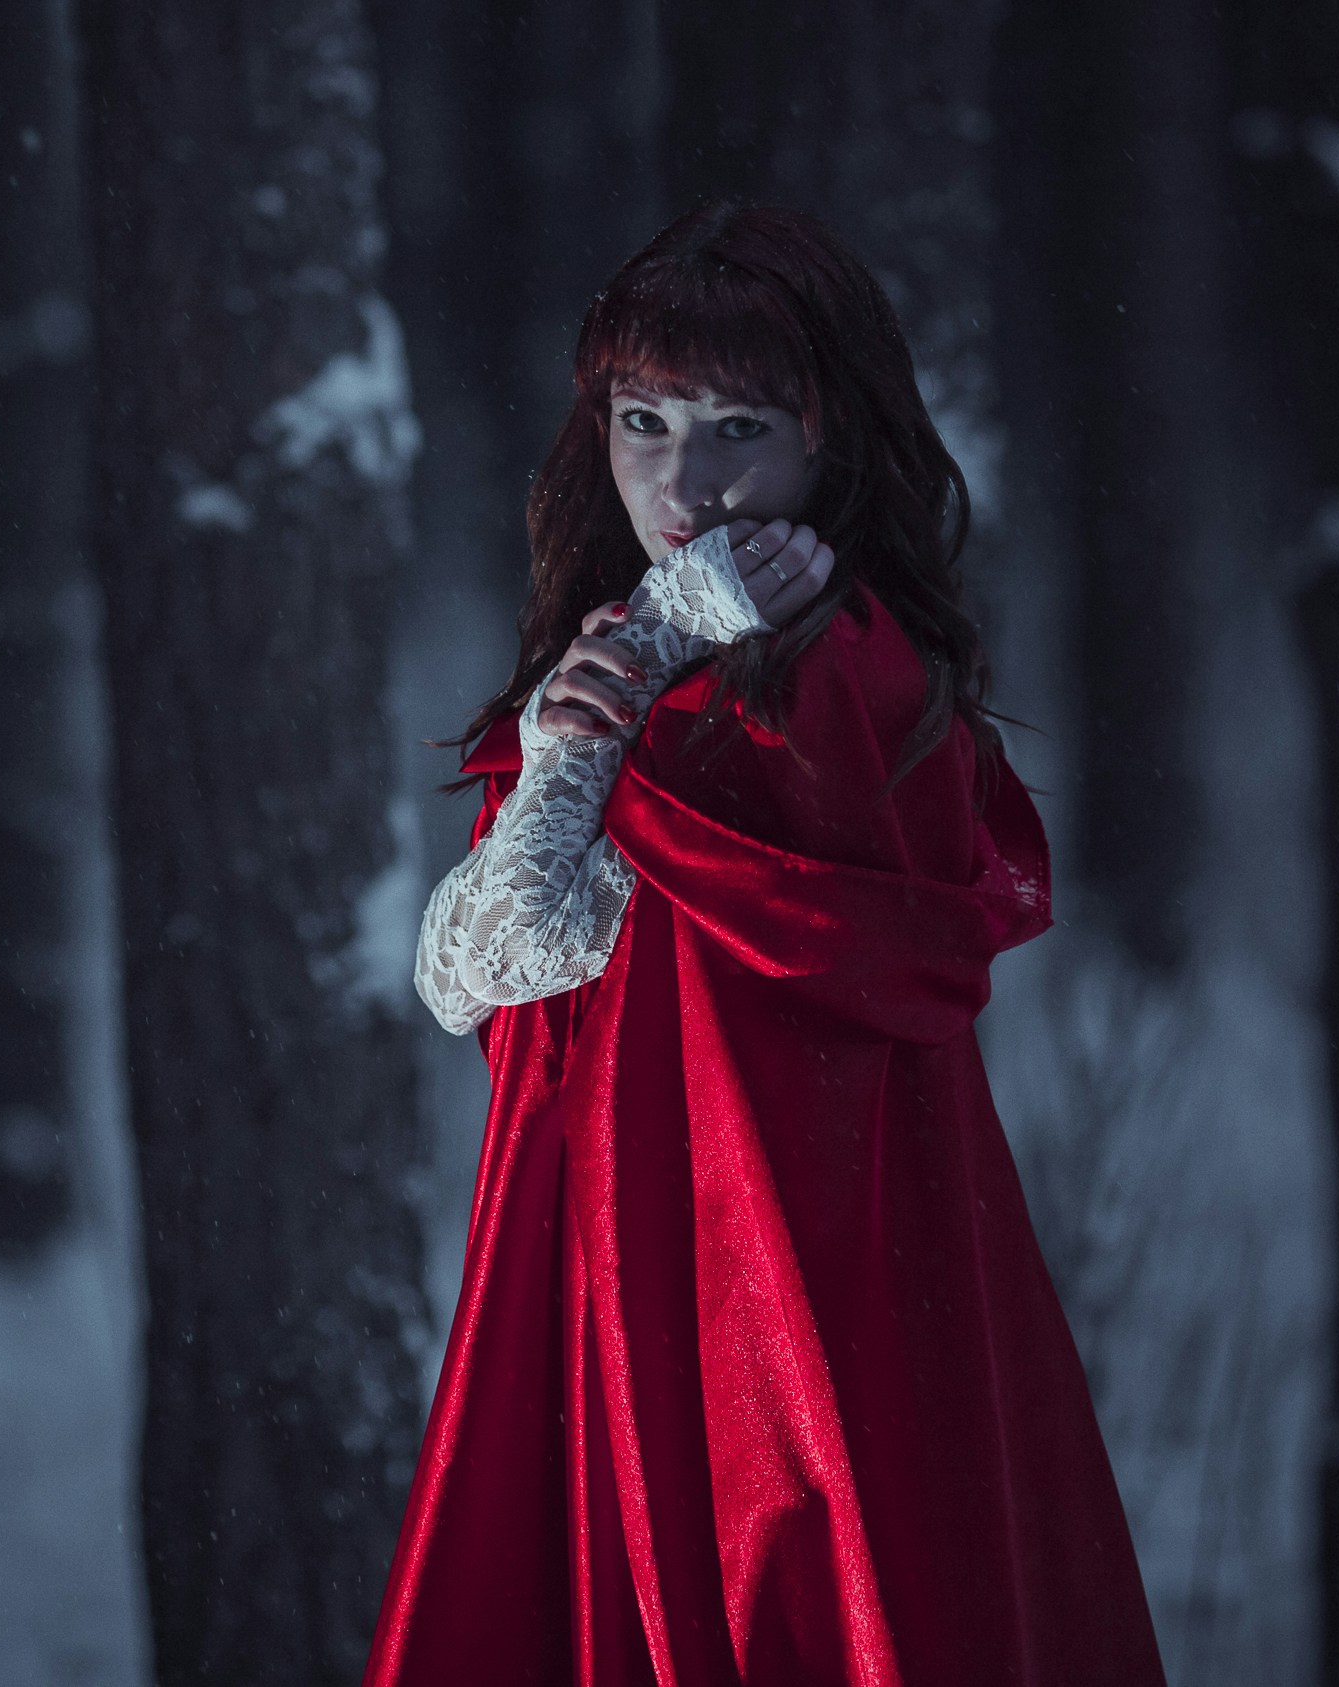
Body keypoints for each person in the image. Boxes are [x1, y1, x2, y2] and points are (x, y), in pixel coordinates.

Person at [374, 205, 1165, 1684]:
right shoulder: (621, 647)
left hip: (789, 1292)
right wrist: (582, 722)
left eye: (740, 426)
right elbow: (461, 974)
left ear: (829, 439)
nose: (684, 481)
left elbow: (573, 930)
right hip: (611, 1251)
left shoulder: (858, 683)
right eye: (644, 420)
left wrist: (632, 696)